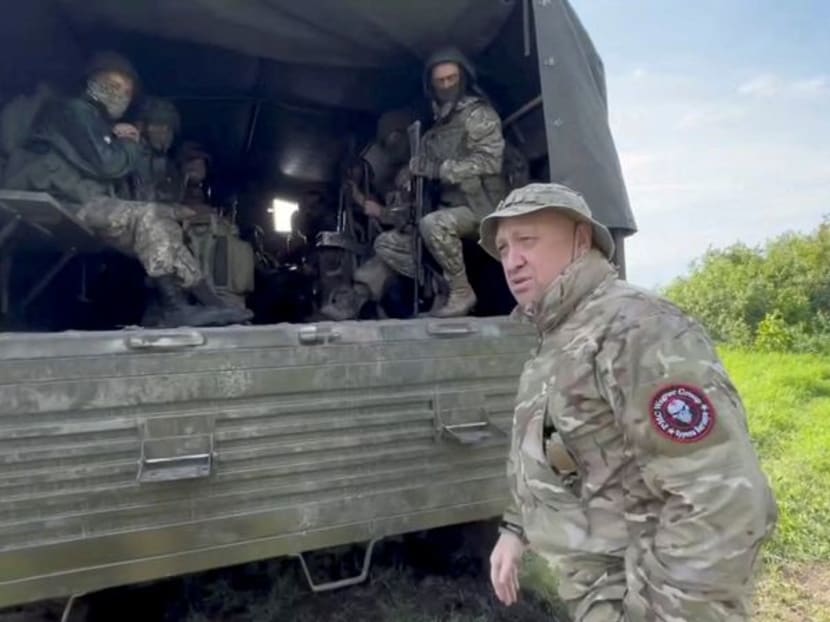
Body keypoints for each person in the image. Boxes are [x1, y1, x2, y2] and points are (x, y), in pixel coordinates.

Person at [482, 183, 777, 621]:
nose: (512, 261)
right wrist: (516, 527)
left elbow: (720, 502)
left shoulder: (637, 329)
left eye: (527, 240)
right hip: (596, 591)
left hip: (640, 596)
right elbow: (557, 447)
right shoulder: (559, 336)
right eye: (504, 248)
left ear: (581, 240)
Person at [3, 51, 251, 327]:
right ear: (91, 82)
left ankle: (209, 304)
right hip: (63, 199)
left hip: (79, 201)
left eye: (126, 91)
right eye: (112, 84)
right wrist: (130, 142)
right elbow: (109, 165)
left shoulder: (96, 122)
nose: (119, 94)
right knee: (150, 217)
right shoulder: (73, 110)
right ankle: (176, 308)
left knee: (161, 223)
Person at [409, 46, 507, 317]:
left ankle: (462, 292)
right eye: (440, 81)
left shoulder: (477, 114)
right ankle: (441, 291)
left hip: (482, 205)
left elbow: (489, 161)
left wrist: (439, 170)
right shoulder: (438, 123)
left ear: (463, 79)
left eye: (451, 79)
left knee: (433, 225)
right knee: (407, 237)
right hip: (452, 203)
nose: (446, 86)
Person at [320, 108, 417, 320]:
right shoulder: (400, 174)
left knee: (385, 244)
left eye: (392, 139)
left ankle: (354, 299)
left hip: (421, 242)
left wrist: (380, 212)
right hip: (412, 241)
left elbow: (410, 216)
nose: (389, 147)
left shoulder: (416, 172)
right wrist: (360, 199)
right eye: (385, 142)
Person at [133, 96, 182, 202]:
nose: (164, 131)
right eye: (157, 124)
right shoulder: (128, 157)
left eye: (169, 127)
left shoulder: (168, 164)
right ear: (140, 126)